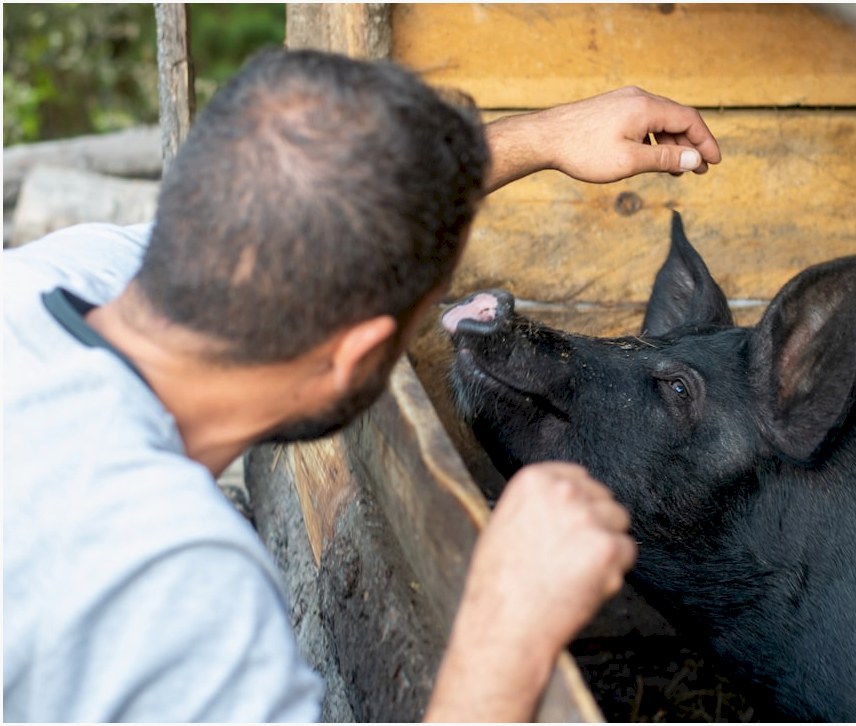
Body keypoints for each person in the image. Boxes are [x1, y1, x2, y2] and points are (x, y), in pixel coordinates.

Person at [3, 48, 721, 722]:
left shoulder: (57, 274)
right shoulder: (176, 582)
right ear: (357, 358)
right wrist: (507, 634)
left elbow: (304, 215)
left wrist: (545, 138)